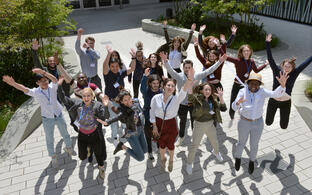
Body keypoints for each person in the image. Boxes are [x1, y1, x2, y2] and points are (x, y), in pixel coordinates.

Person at [2, 68, 73, 168]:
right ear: (37, 83)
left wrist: (43, 72)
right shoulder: (36, 92)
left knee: (65, 132)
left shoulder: (52, 87)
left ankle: (69, 147)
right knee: (49, 138)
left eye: (45, 80)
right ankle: (53, 157)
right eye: (42, 81)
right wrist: (13, 83)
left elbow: (55, 80)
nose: (45, 82)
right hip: (47, 118)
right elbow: (24, 88)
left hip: (58, 114)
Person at [161, 51, 227, 146]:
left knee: (194, 123)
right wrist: (166, 61)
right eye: (185, 67)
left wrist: (219, 62)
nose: (187, 69)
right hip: (182, 105)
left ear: (192, 68)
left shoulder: (197, 76)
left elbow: (209, 70)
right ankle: (181, 137)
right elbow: (171, 71)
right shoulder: (179, 77)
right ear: (183, 68)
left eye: (189, 67)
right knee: (182, 122)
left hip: (194, 104)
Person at [232, 71, 288, 174]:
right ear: (248, 83)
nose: (254, 86)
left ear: (259, 85)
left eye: (256, 84)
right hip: (244, 122)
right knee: (241, 143)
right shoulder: (242, 91)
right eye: (252, 83)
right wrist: (238, 102)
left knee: (254, 144)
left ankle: (252, 162)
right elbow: (233, 107)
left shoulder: (262, 92)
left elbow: (275, 94)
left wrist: (282, 85)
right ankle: (238, 158)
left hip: (258, 123)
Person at [149, 60, 194, 172]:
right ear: (163, 86)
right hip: (159, 124)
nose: (170, 87)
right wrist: (154, 126)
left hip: (171, 124)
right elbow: (152, 112)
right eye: (168, 85)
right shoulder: (156, 98)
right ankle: (163, 159)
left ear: (174, 89)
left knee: (171, 145)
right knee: (161, 144)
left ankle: (171, 160)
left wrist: (189, 79)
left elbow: (184, 89)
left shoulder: (176, 98)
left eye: (172, 86)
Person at [57, 86, 110, 179]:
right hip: (82, 134)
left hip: (94, 134)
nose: (86, 98)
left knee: (98, 153)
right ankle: (89, 149)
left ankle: (101, 168)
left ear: (92, 96)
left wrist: (105, 106)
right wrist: (58, 86)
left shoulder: (97, 105)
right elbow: (63, 99)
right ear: (81, 97)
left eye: (88, 96)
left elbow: (104, 117)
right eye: (84, 96)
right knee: (82, 157)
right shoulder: (77, 103)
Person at [265, 34, 312, 129]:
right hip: (273, 101)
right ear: (282, 66)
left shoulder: (294, 73)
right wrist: (267, 43)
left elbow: (305, 63)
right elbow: (270, 58)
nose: (286, 68)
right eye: (285, 66)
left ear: (292, 68)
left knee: (284, 126)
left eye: (289, 67)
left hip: (285, 103)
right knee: (268, 123)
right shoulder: (277, 70)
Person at [186, 84, 227, 175]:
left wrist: (221, 97)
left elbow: (223, 109)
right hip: (199, 125)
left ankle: (216, 152)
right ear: (201, 91)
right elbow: (190, 97)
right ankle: (189, 163)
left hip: (210, 124)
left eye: (209, 90)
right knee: (194, 146)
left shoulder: (213, 99)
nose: (208, 91)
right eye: (206, 90)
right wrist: (190, 84)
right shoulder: (197, 99)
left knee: (215, 142)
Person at [97, 90, 148, 161]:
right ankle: (122, 146)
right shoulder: (123, 112)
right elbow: (116, 117)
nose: (128, 101)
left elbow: (141, 112)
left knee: (145, 150)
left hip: (140, 130)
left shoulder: (136, 102)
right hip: (131, 134)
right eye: (125, 100)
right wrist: (107, 122)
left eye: (129, 99)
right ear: (122, 102)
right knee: (140, 158)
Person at [227, 44, 269, 125]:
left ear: (250, 52)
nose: (246, 52)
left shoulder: (252, 61)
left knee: (246, 101)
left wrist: (265, 64)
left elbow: (256, 71)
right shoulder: (237, 60)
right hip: (237, 85)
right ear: (241, 52)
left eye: (248, 51)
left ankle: (244, 116)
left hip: (246, 86)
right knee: (233, 102)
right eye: (244, 51)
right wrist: (221, 44)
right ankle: (231, 116)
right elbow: (225, 56)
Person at [103, 45, 136, 145]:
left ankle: (125, 133)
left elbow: (133, 68)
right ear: (110, 66)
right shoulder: (107, 74)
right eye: (112, 66)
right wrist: (108, 54)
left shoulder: (121, 73)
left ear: (119, 66)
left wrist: (134, 58)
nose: (114, 68)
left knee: (124, 119)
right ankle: (114, 138)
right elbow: (104, 66)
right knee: (113, 121)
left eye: (116, 66)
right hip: (112, 102)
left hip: (122, 101)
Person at [140, 68, 162, 160]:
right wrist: (145, 76)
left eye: (157, 83)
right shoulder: (146, 92)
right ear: (150, 83)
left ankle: (159, 148)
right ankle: (150, 152)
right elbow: (141, 88)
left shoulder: (161, 92)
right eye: (154, 83)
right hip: (148, 117)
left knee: (158, 134)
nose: (156, 85)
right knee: (148, 135)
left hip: (158, 117)